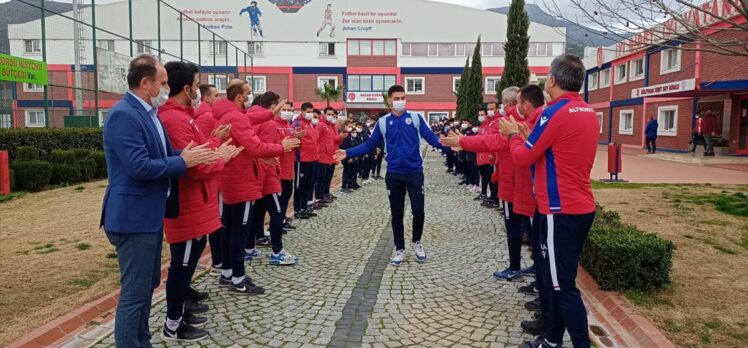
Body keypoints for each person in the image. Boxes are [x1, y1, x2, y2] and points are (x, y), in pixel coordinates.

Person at [101, 54, 218, 348]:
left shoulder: (150, 114)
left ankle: (142, 340)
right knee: (135, 292)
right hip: (132, 218)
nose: (168, 88)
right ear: (145, 82)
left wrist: (185, 155)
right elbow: (140, 166)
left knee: (148, 286)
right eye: (163, 83)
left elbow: (166, 155)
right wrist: (183, 161)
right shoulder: (123, 115)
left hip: (150, 216)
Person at [500, 54, 598, 348]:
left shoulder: (553, 112)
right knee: (561, 280)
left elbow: (522, 158)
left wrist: (512, 136)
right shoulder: (587, 111)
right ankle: (552, 340)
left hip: (559, 209)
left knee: (562, 287)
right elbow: (555, 150)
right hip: (580, 206)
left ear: (552, 80)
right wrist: (528, 137)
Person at [157, 61, 242, 341]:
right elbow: (196, 166)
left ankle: (182, 308)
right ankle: (173, 324)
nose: (199, 90)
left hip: (197, 203)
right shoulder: (174, 119)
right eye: (196, 84)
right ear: (186, 88)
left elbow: (201, 151)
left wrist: (214, 144)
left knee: (189, 261)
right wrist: (222, 157)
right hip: (187, 205)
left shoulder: (185, 117)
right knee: (181, 266)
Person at [335, 85, 447, 265]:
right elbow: (370, 145)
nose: (400, 101)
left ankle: (417, 242)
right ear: (389, 100)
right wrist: (348, 153)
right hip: (394, 174)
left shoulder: (416, 118)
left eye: (403, 97)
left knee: (418, 211)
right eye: (397, 98)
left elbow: (432, 139)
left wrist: (452, 147)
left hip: (414, 172)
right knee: (397, 213)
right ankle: (400, 248)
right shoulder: (382, 122)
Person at [215, 79, 300, 294]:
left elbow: (253, 116)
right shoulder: (236, 117)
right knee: (239, 232)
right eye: (248, 93)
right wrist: (281, 147)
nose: (251, 97)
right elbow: (255, 146)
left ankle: (228, 273)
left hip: (233, 179)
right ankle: (238, 279)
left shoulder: (232, 114)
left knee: (231, 228)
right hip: (241, 181)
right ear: (240, 97)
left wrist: (272, 113)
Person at [246, 91, 300, 265]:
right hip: (268, 176)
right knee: (277, 212)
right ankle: (278, 251)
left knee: (257, 213)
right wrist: (280, 147)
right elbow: (267, 149)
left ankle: (248, 248)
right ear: (273, 107)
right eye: (280, 106)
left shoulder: (250, 119)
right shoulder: (267, 123)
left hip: (256, 175)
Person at [193, 83, 224, 273]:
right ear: (207, 98)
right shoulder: (207, 117)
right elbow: (204, 148)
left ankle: (217, 259)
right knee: (214, 222)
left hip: (214, 172)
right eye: (216, 95)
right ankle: (218, 260)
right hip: (211, 173)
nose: (219, 99)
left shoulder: (206, 116)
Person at [293, 102, 320, 219]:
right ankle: (298, 209)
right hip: (301, 159)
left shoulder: (310, 124)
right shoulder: (298, 123)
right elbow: (295, 140)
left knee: (309, 184)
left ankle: (305, 207)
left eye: (311, 112)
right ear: (302, 111)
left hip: (312, 159)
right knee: (300, 186)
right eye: (308, 112)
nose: (310, 114)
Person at [316, 106, 345, 204]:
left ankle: (326, 193)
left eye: (333, 115)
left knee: (328, 177)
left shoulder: (332, 126)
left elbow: (334, 140)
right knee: (321, 178)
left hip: (331, 156)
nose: (331, 116)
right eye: (329, 114)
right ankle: (319, 196)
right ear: (324, 114)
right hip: (322, 156)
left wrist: (341, 137)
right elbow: (316, 138)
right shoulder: (321, 125)